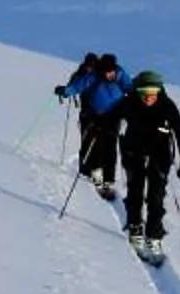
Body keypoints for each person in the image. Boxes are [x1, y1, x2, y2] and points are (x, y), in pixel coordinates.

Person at [111, 70, 180, 258]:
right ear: (137, 91)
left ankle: (154, 236)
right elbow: (112, 119)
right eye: (144, 93)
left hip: (160, 152)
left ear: (158, 91)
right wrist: (111, 131)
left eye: (153, 93)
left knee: (156, 196)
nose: (149, 97)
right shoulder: (129, 102)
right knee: (135, 191)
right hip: (134, 150)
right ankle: (135, 228)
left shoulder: (167, 105)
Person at [53, 52, 129, 199]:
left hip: (114, 116)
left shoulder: (120, 74)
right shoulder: (93, 77)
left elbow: (130, 88)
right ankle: (97, 179)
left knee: (111, 148)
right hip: (95, 116)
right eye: (108, 72)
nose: (111, 75)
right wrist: (65, 91)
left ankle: (108, 181)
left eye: (112, 71)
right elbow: (77, 87)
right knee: (96, 148)